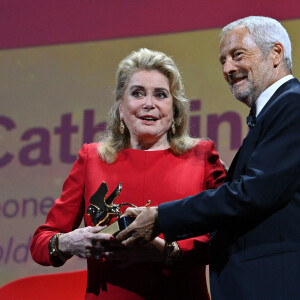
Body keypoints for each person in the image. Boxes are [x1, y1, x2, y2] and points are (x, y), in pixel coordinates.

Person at [117, 16, 300, 300]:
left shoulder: (292, 105)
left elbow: (253, 194)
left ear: (276, 53)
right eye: (222, 61)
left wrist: (160, 217)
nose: (228, 68)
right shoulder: (276, 111)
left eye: (237, 55)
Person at [30, 48, 226, 300]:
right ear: (121, 108)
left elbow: (227, 236)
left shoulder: (202, 156)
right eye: (137, 93)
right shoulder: (92, 158)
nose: (149, 104)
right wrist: (68, 243)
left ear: (175, 110)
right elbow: (41, 242)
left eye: (160, 94)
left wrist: (167, 251)